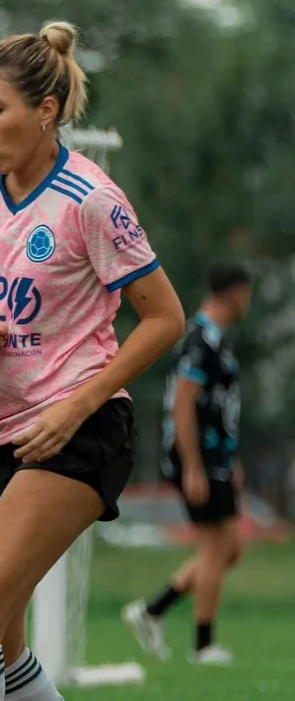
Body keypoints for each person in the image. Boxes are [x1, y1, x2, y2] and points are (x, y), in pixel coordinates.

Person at [0, 21, 185, 701]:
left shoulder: (91, 199)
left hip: (82, 428)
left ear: (45, 111)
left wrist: (77, 406)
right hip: (3, 428)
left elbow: (165, 317)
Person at [123, 263, 251, 665]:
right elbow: (181, 407)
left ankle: (152, 611)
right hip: (198, 459)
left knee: (229, 548)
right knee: (216, 547)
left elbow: (218, 408)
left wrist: (231, 459)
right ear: (235, 293)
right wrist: (193, 465)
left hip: (216, 459)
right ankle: (203, 645)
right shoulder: (198, 341)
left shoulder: (217, 341)